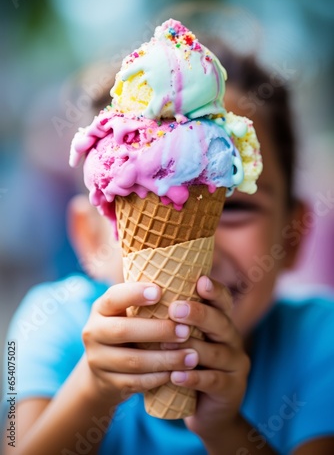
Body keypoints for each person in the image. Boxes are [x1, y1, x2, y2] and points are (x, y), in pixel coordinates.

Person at [1, 42, 334, 455]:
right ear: (89, 238)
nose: (204, 252)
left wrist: (225, 430)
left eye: (237, 207)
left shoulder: (321, 340)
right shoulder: (46, 323)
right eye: (136, 196)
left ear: (293, 235)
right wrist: (91, 391)